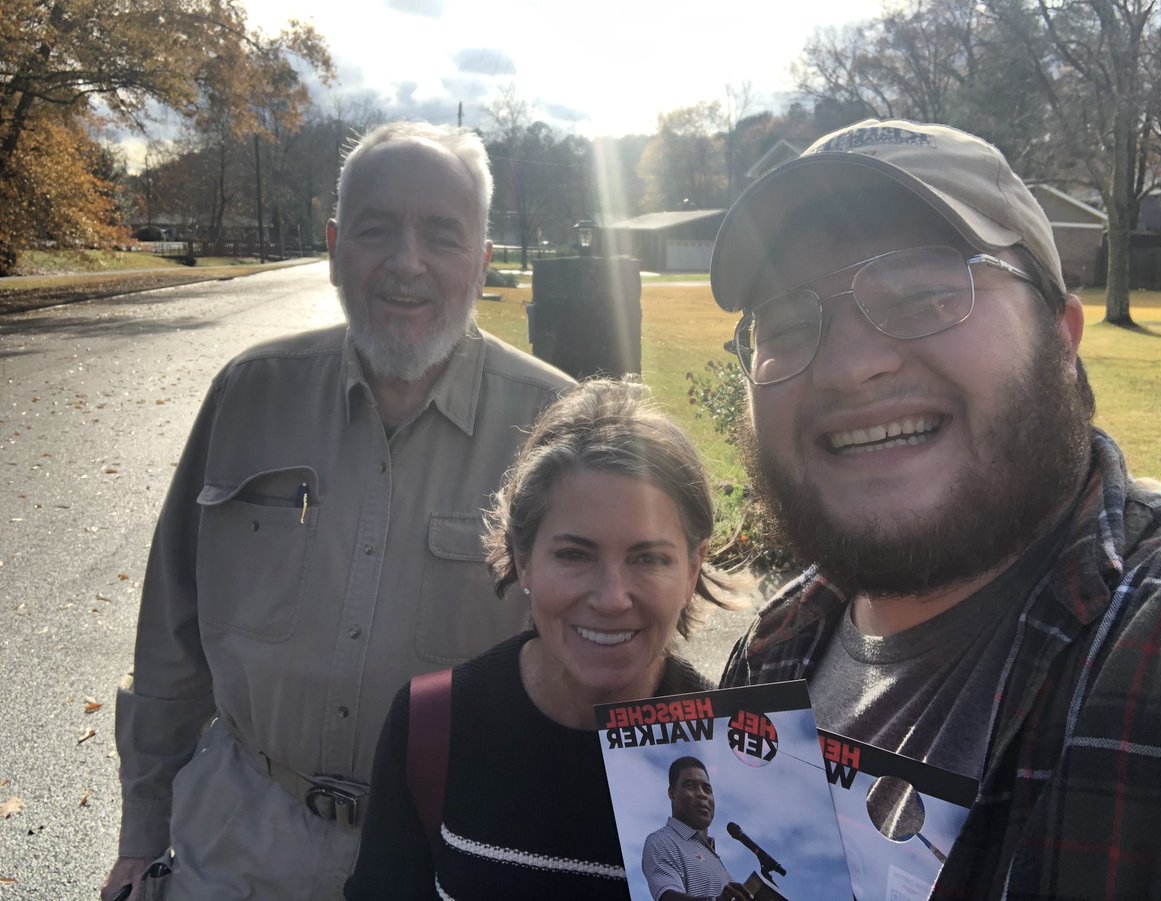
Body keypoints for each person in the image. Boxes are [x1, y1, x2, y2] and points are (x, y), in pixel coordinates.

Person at [710, 117, 1161, 898]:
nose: (851, 366)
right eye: (789, 322)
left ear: (1062, 337)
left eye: (925, 292)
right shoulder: (773, 650)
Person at [100, 121, 574, 901]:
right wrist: (141, 833)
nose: (405, 264)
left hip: (447, 856)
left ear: (484, 259)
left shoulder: (556, 428)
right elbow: (169, 634)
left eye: (443, 235)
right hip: (239, 847)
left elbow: (604, 655)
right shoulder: (248, 394)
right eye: (375, 229)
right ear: (332, 248)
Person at [345, 379, 731, 900]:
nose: (612, 597)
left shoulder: (735, 755)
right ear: (523, 559)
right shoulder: (434, 724)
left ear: (693, 569)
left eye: (649, 558)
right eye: (574, 554)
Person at [641, 757, 751, 901]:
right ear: (672, 793)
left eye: (707, 789)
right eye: (690, 786)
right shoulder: (661, 840)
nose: (702, 794)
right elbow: (667, 898)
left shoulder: (712, 854)